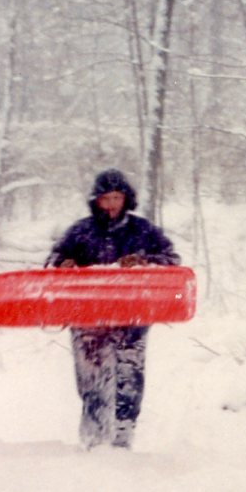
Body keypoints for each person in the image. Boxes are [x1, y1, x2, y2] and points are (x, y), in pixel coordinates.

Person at [46, 169, 179, 449]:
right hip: (87, 318)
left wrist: (144, 261)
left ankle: (122, 439)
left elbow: (172, 262)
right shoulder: (80, 231)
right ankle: (93, 439)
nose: (112, 205)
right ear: (96, 201)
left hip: (132, 317)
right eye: (106, 199)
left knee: (129, 377)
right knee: (91, 381)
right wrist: (63, 264)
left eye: (117, 198)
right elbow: (51, 261)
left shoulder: (143, 230)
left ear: (126, 199)